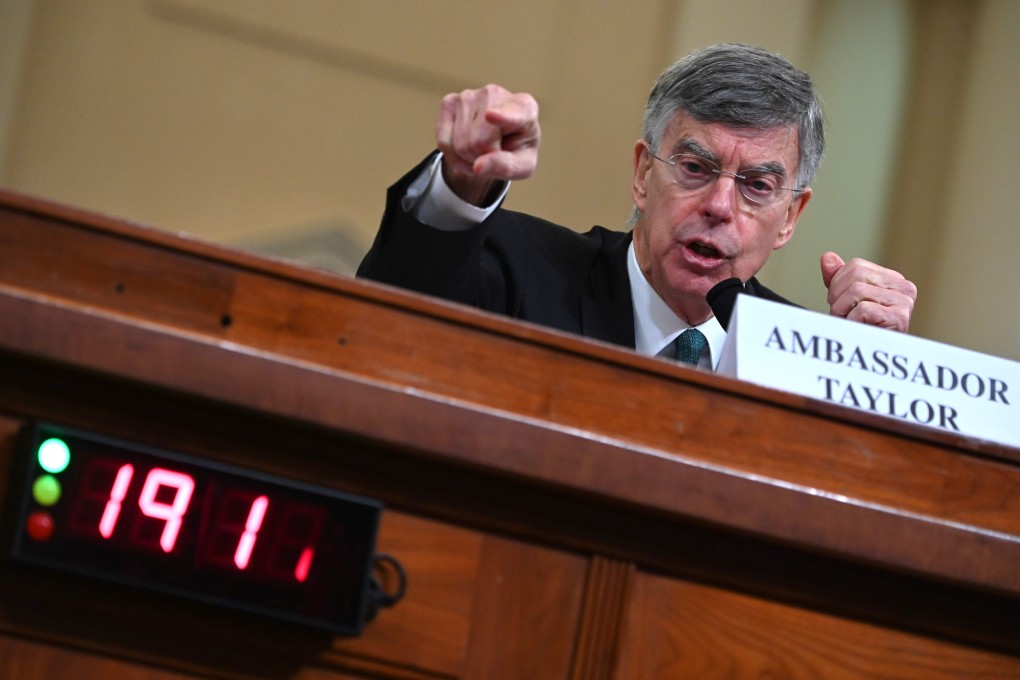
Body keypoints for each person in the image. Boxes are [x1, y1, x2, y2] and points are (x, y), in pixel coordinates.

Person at [357, 43, 917, 370]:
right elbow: (384, 322)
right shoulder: (519, 269)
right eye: (695, 169)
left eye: (756, 186)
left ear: (790, 217)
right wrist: (461, 182)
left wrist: (873, 370)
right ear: (644, 174)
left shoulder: (809, 359)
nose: (720, 206)